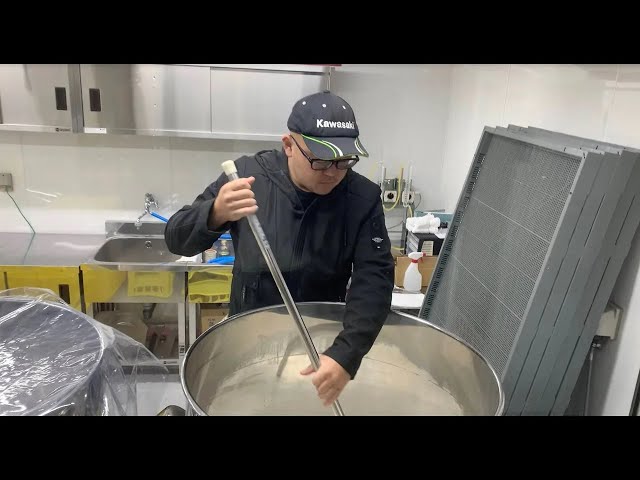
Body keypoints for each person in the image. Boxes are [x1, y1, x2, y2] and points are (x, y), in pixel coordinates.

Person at [165, 91, 394, 408]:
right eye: (320, 160)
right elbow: (176, 238)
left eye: (344, 161)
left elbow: (375, 278)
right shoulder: (249, 177)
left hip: (320, 344)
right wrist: (215, 212)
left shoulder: (361, 198)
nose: (332, 172)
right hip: (248, 341)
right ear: (288, 146)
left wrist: (348, 352)